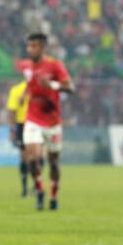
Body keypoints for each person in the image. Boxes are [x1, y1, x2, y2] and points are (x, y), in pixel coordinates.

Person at [21, 33, 75, 211]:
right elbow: (30, 85)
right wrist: (24, 95)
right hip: (32, 118)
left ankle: (53, 195)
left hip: (52, 120)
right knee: (33, 158)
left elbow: (70, 88)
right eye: (29, 46)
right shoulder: (28, 67)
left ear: (42, 47)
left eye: (34, 46)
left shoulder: (54, 65)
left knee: (53, 162)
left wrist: (52, 85)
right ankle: (39, 190)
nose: (30, 50)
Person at [6, 74, 30, 196]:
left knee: (31, 156)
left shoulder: (39, 89)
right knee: (26, 156)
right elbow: (12, 110)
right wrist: (12, 129)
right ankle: (26, 188)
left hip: (34, 124)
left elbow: (11, 111)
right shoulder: (17, 90)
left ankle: (32, 187)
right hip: (23, 124)